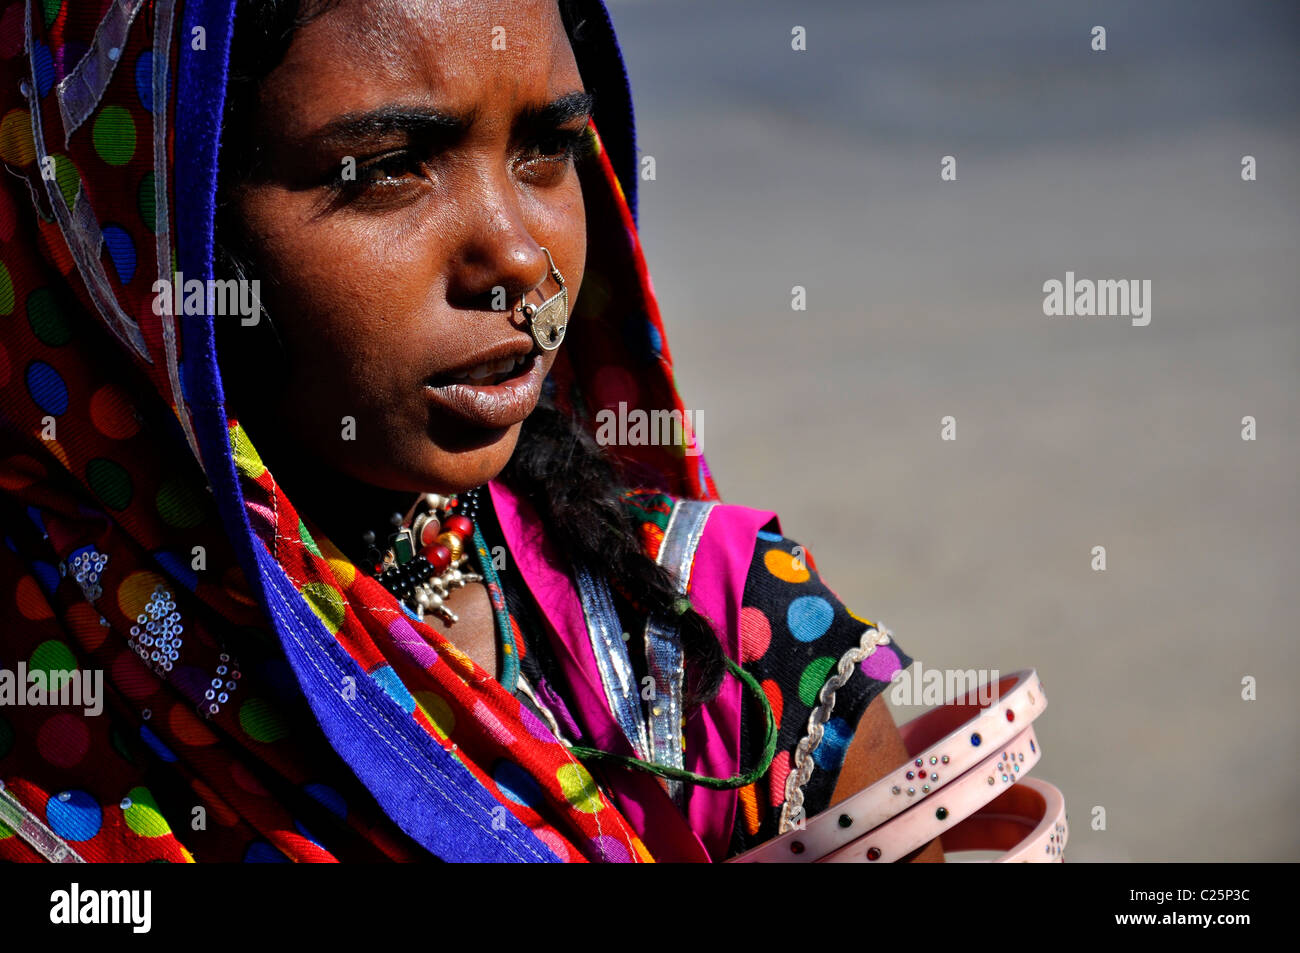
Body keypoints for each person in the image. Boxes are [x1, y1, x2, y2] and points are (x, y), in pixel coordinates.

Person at [0, 0, 942, 862]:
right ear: (152, 224)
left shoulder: (720, 648)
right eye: (388, 169)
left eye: (549, 147)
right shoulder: (47, 685)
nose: (520, 256)